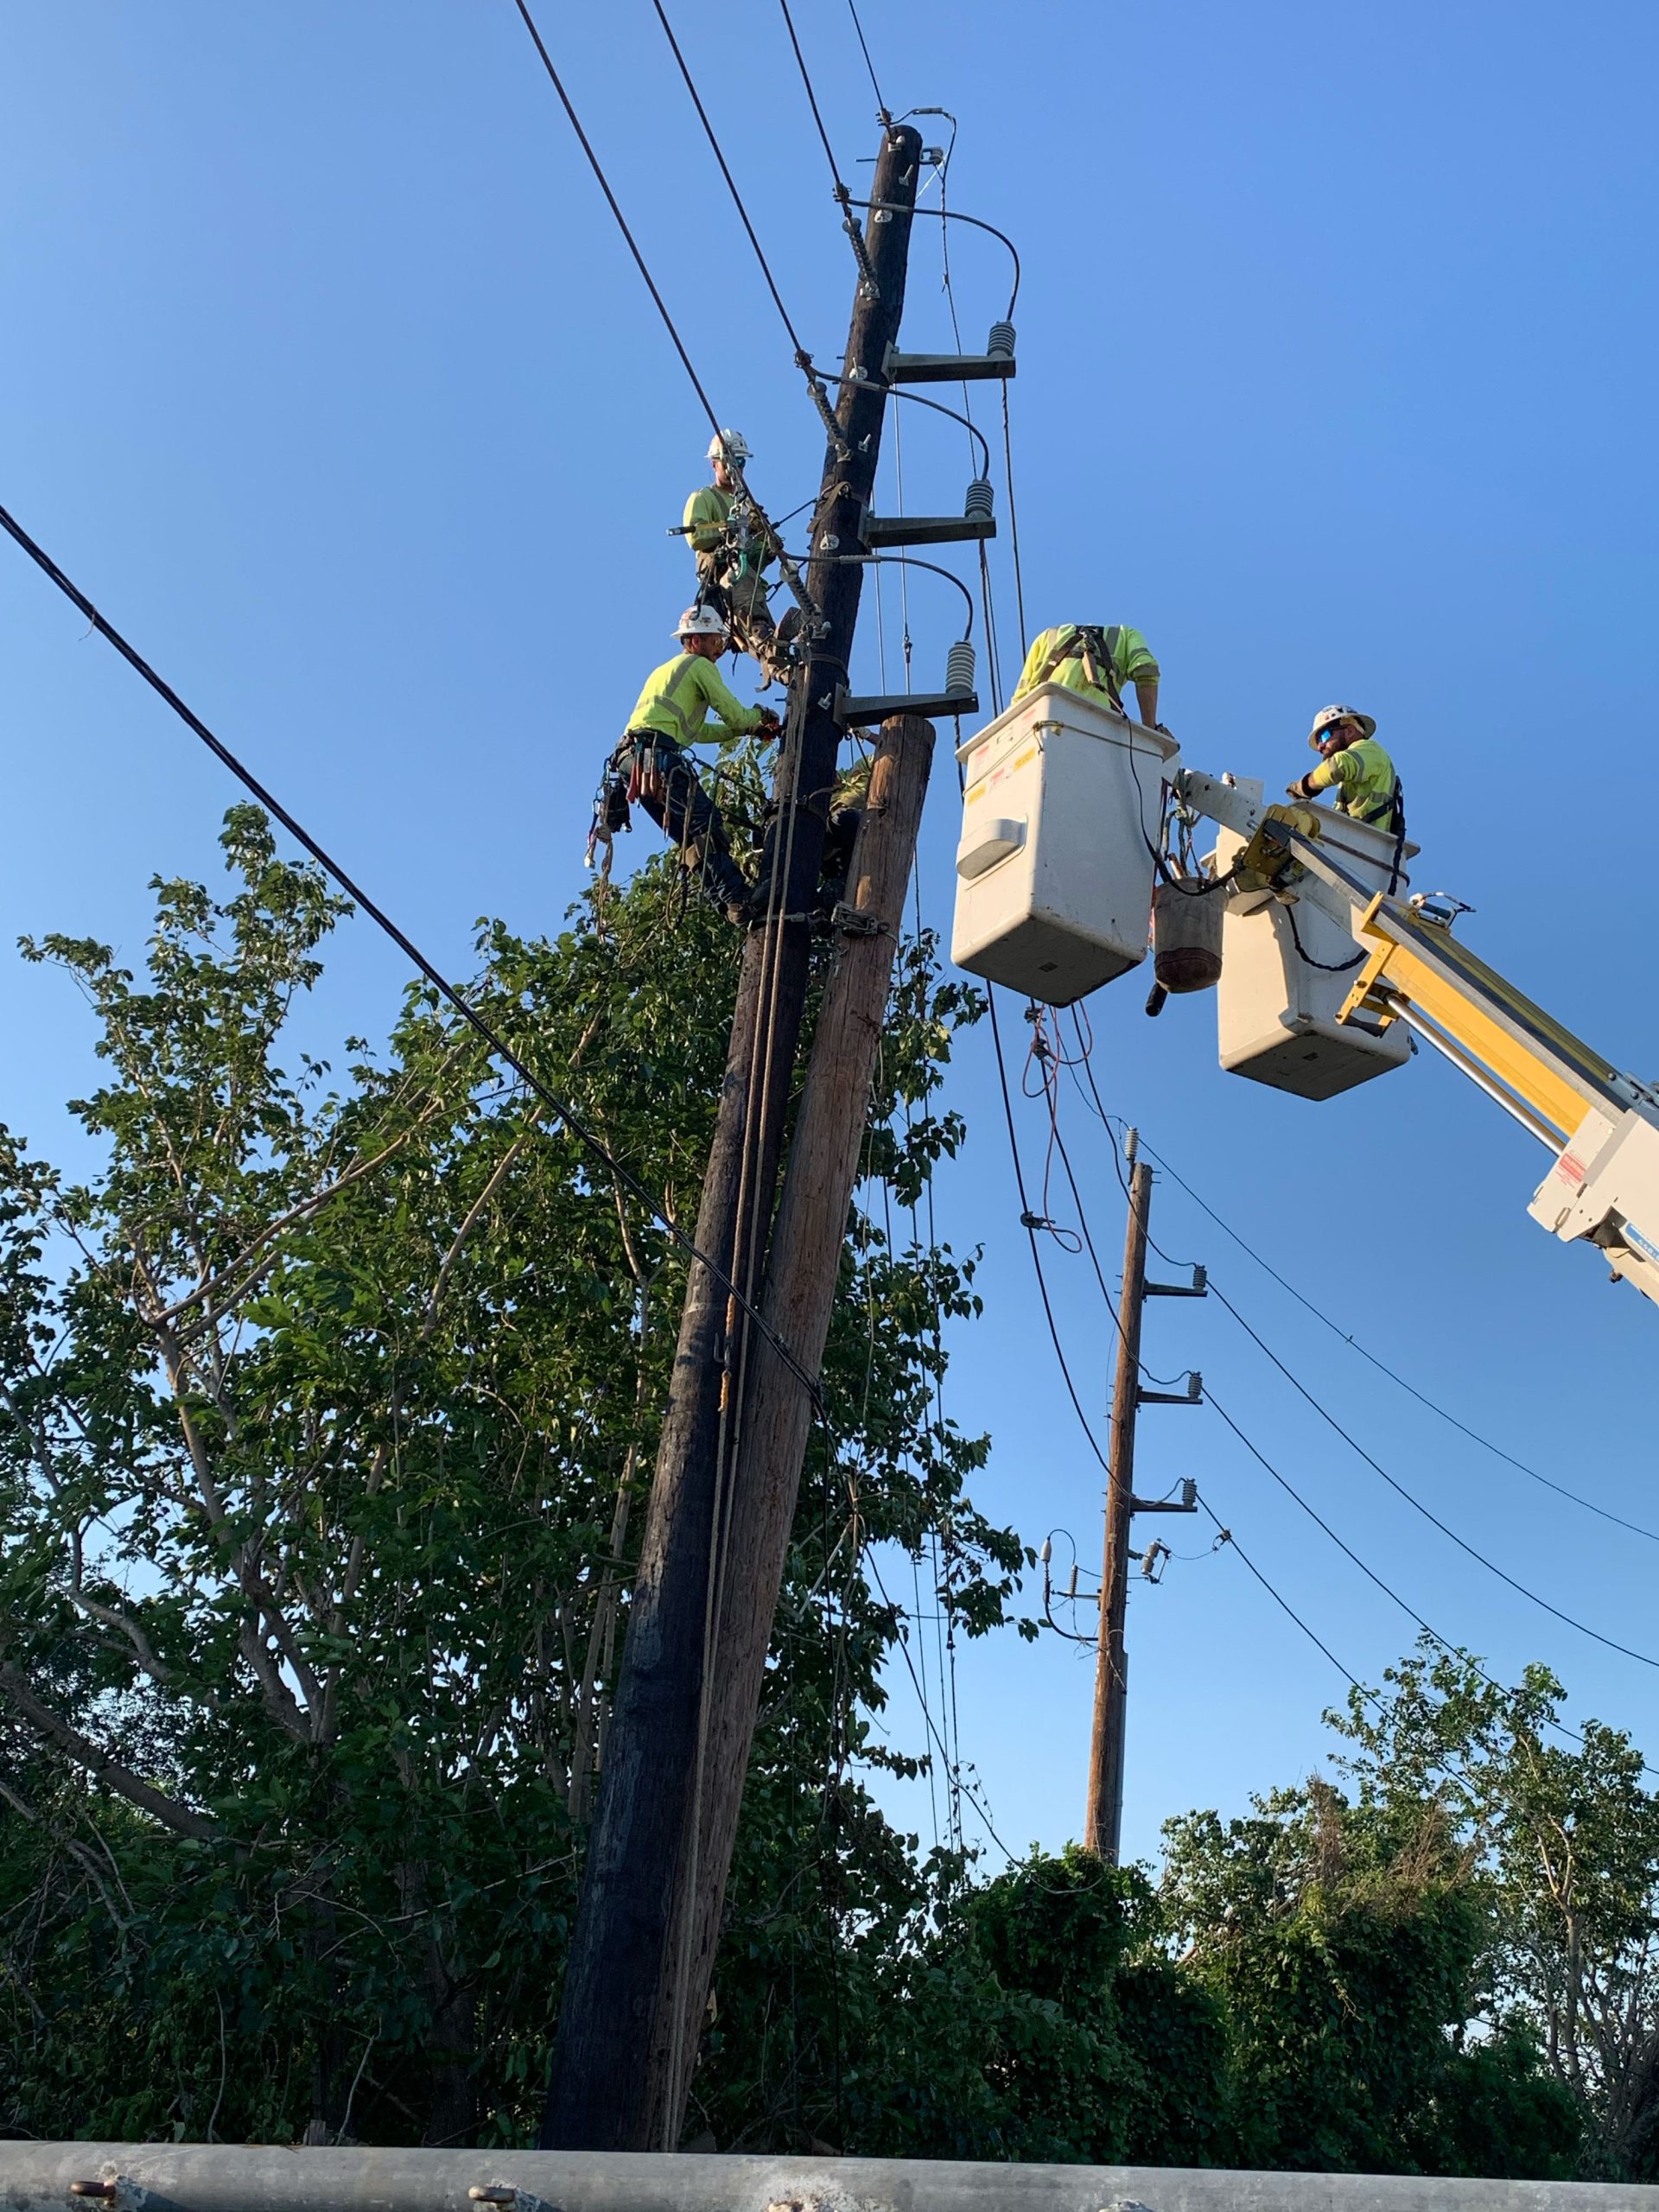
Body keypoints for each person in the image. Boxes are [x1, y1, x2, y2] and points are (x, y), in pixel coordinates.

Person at [593, 606, 780, 918]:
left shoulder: (666, 671)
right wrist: (757, 719)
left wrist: (747, 730)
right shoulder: (699, 666)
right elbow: (734, 714)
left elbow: (696, 732)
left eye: (720, 641)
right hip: (656, 757)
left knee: (691, 837)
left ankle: (726, 905)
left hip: (634, 763)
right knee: (705, 823)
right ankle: (738, 897)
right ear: (694, 641)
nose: (719, 648)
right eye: (713, 640)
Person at [682, 429, 789, 674]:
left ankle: (772, 650)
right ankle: (764, 639)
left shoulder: (747, 504)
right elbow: (696, 537)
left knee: (749, 590)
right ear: (714, 463)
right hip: (721, 574)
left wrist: (767, 546)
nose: (735, 468)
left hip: (747, 579)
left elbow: (756, 559)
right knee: (741, 585)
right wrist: (732, 528)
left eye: (740, 462)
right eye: (730, 462)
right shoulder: (704, 497)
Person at [1011, 622, 1162, 728]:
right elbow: (1146, 670)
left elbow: (1019, 700)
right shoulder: (1127, 635)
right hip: (1097, 725)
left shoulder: (1048, 636)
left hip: (1043, 723)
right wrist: (1150, 730)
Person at [1287, 704, 1402, 830]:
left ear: (1350, 731)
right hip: (1355, 837)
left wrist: (1305, 786)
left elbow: (1334, 768)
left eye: (1324, 736)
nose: (1320, 747)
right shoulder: (1355, 773)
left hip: (1364, 838)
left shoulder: (1371, 750)